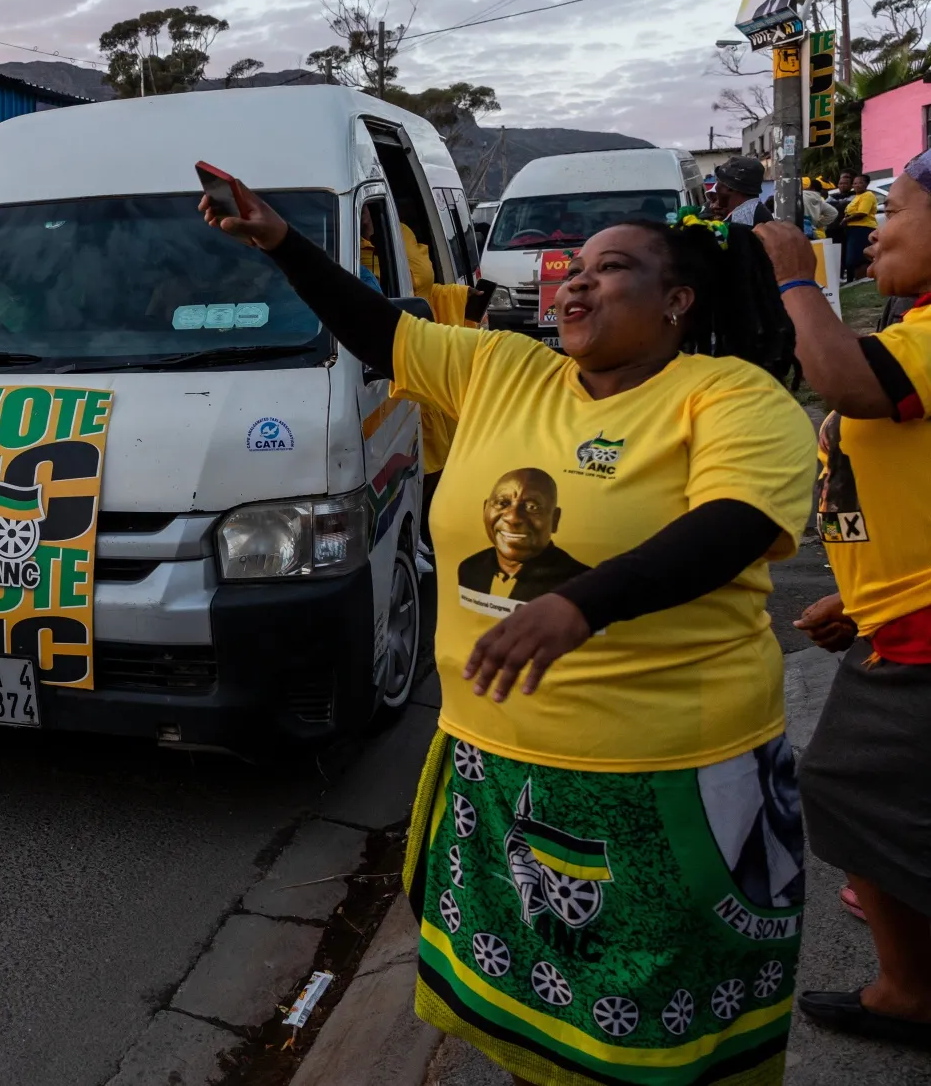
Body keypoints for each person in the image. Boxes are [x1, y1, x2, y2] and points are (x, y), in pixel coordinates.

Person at [204, 181, 816, 1086]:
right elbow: (380, 330)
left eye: (615, 269)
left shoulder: (730, 394)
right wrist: (282, 242)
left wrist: (580, 603)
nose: (577, 284)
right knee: (536, 1024)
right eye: (573, 269)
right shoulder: (505, 368)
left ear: (677, 300)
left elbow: (730, 523)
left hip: (668, 783)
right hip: (499, 771)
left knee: (659, 1042)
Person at [758, 158, 931, 1047]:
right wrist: (855, 600)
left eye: (896, 213)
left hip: (922, 640)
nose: (876, 231)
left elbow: (846, 379)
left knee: (850, 785)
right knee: (862, 791)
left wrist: (797, 274)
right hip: (893, 624)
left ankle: (912, 988)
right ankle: (908, 984)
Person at [453, 469, 592, 610]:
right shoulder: (470, 568)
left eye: (532, 507)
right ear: (485, 509)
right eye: (502, 503)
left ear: (555, 519)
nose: (513, 518)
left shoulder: (584, 584)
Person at [712, 155, 770, 226]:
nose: (715, 187)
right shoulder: (760, 212)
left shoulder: (737, 222)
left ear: (728, 187)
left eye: (718, 181)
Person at [843, 174, 880, 281]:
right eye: (855, 183)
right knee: (853, 259)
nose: (857, 185)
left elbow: (862, 212)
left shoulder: (868, 195)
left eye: (860, 183)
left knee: (859, 258)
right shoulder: (857, 197)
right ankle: (858, 279)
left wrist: (846, 220)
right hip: (853, 229)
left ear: (866, 184)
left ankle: (864, 279)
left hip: (863, 229)